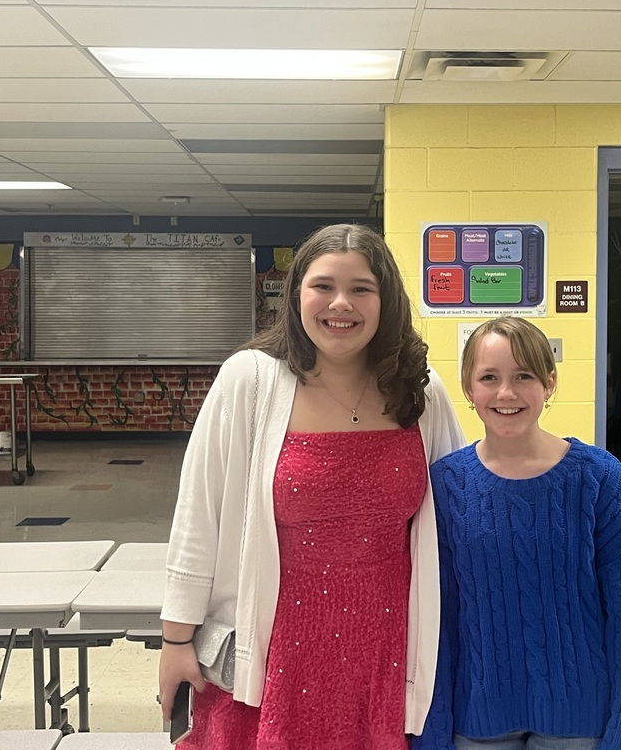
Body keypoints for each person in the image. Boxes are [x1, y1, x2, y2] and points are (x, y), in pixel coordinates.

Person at [159, 223, 467, 750]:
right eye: (323, 285)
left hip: (387, 646)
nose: (340, 303)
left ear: (386, 299)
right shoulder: (250, 380)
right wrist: (176, 640)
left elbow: (458, 514)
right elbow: (198, 516)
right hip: (274, 641)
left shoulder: (421, 393)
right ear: (297, 293)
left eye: (361, 289)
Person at [415, 317, 621, 750]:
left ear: (550, 383)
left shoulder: (599, 479)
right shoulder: (446, 485)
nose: (506, 393)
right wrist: (434, 732)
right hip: (477, 721)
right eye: (489, 377)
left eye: (523, 376)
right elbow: (438, 624)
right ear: (469, 389)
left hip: (581, 722)